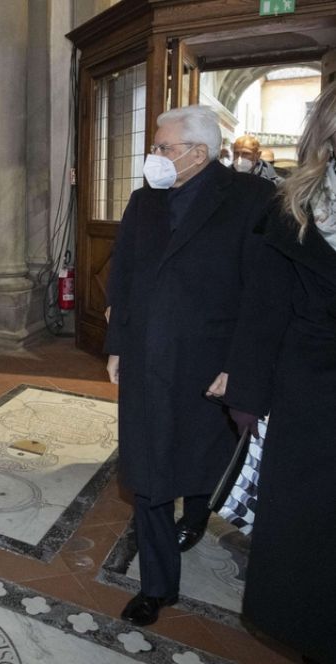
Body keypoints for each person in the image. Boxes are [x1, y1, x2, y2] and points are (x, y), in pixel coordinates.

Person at [104, 105, 274, 627]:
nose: (153, 156)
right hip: (149, 359)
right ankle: (157, 585)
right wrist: (117, 345)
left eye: (162, 147)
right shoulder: (144, 199)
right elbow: (123, 276)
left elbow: (263, 293)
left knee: (201, 456)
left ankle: (197, 514)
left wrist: (240, 365)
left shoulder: (253, 200)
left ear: (199, 153)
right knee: (150, 469)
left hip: (210, 364)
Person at [223, 84, 336, 664]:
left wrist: (247, 394)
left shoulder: (292, 203)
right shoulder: (292, 204)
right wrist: (248, 393)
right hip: (313, 399)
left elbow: (263, 312)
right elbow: (263, 309)